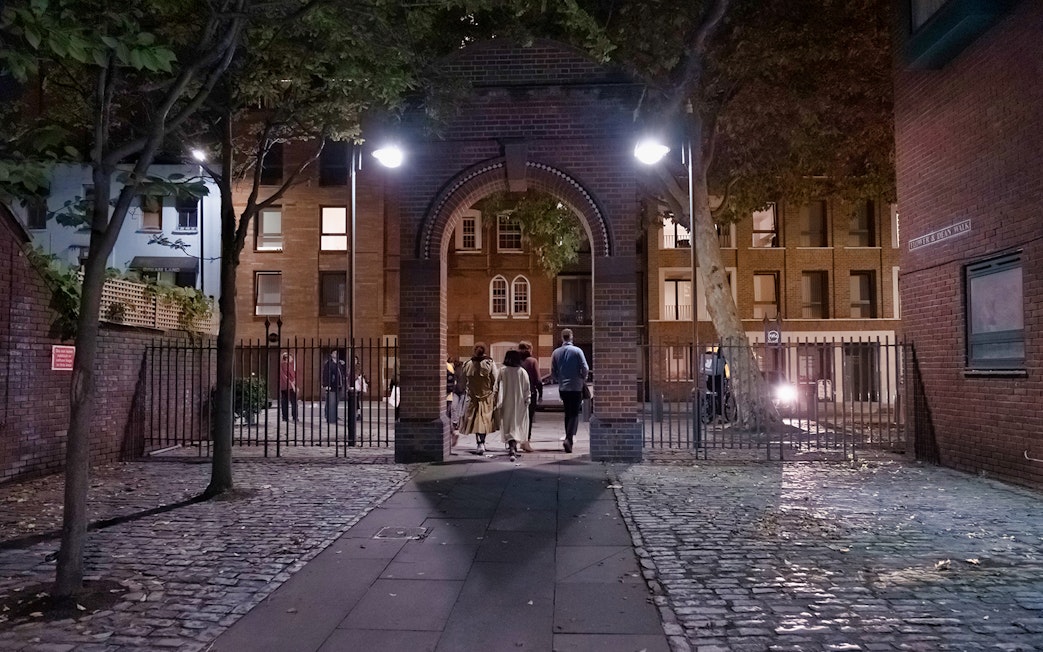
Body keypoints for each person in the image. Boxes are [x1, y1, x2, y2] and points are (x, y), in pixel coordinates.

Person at [550, 328, 589, 453]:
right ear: (571, 337)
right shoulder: (577, 351)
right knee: (574, 413)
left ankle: (569, 437)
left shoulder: (556, 352)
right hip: (576, 387)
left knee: (567, 413)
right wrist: (582, 377)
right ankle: (569, 438)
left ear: (562, 338)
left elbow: (553, 371)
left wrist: (560, 379)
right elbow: (585, 368)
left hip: (563, 387)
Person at [459, 342, 499, 455]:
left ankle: (480, 443)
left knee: (480, 422)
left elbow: (463, 381)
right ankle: (481, 442)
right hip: (479, 398)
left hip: (479, 398)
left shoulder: (472, 364)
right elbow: (495, 379)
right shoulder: (485, 363)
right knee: (480, 422)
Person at [498, 349, 531, 461]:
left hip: (506, 402)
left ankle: (511, 446)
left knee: (508, 425)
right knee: (517, 425)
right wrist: (528, 399)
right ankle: (513, 447)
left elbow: (497, 387)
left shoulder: (502, 371)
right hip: (519, 403)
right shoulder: (522, 372)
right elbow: (527, 388)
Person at [517, 341, 542, 453]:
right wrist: (541, 394)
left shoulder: (516, 361)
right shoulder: (532, 361)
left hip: (517, 394)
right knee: (529, 419)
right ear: (530, 350)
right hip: (530, 393)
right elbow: (538, 380)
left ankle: (514, 441)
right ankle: (525, 442)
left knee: (517, 419)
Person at [321, 350, 344, 424]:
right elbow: (325, 374)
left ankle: (334, 414)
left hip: (339, 385)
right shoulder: (328, 363)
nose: (336, 354)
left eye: (337, 353)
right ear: (331, 354)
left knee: (336, 401)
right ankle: (328, 415)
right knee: (330, 401)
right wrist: (326, 385)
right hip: (331, 385)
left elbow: (341, 373)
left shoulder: (339, 363)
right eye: (334, 353)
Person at [704, 346, 728, 418]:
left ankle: (712, 412)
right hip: (718, 382)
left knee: (713, 397)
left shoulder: (712, 359)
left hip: (710, 382)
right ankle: (720, 414)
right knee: (719, 397)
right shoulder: (721, 360)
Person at [278, 352, 298, 422]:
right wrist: (293, 384)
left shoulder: (281, 365)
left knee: (284, 402)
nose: (292, 358)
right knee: (294, 402)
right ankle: (295, 417)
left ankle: (285, 417)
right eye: (290, 357)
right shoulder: (287, 365)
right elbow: (292, 375)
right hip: (289, 386)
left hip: (283, 386)